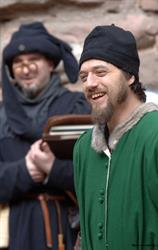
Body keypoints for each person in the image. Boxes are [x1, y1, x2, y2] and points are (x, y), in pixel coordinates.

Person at [73, 24, 158, 250]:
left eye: (101, 72)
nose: (90, 83)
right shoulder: (83, 148)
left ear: (130, 76)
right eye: (84, 76)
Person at [0, 21, 91, 250]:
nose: (26, 68)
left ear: (50, 63)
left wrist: (53, 169)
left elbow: (96, 173)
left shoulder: (75, 107)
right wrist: (25, 170)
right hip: (15, 231)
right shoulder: (1, 115)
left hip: (66, 227)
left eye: (34, 60)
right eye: (19, 63)